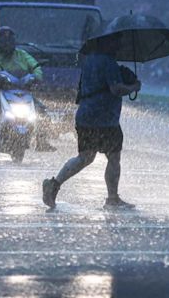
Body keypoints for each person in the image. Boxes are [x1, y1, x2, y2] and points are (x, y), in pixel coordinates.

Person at [42, 33, 141, 210]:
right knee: (113, 158)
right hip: (105, 119)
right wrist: (134, 87)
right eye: (117, 43)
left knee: (84, 157)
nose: (119, 47)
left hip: (86, 116)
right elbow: (116, 89)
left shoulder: (90, 61)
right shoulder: (109, 63)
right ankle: (112, 198)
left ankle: (54, 184)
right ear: (109, 44)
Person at [0, 26, 56, 152]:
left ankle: (42, 141)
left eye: (9, 40)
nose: (7, 43)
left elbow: (35, 67)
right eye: (3, 40)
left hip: (21, 91)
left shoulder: (22, 55)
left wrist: (35, 77)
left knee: (41, 110)